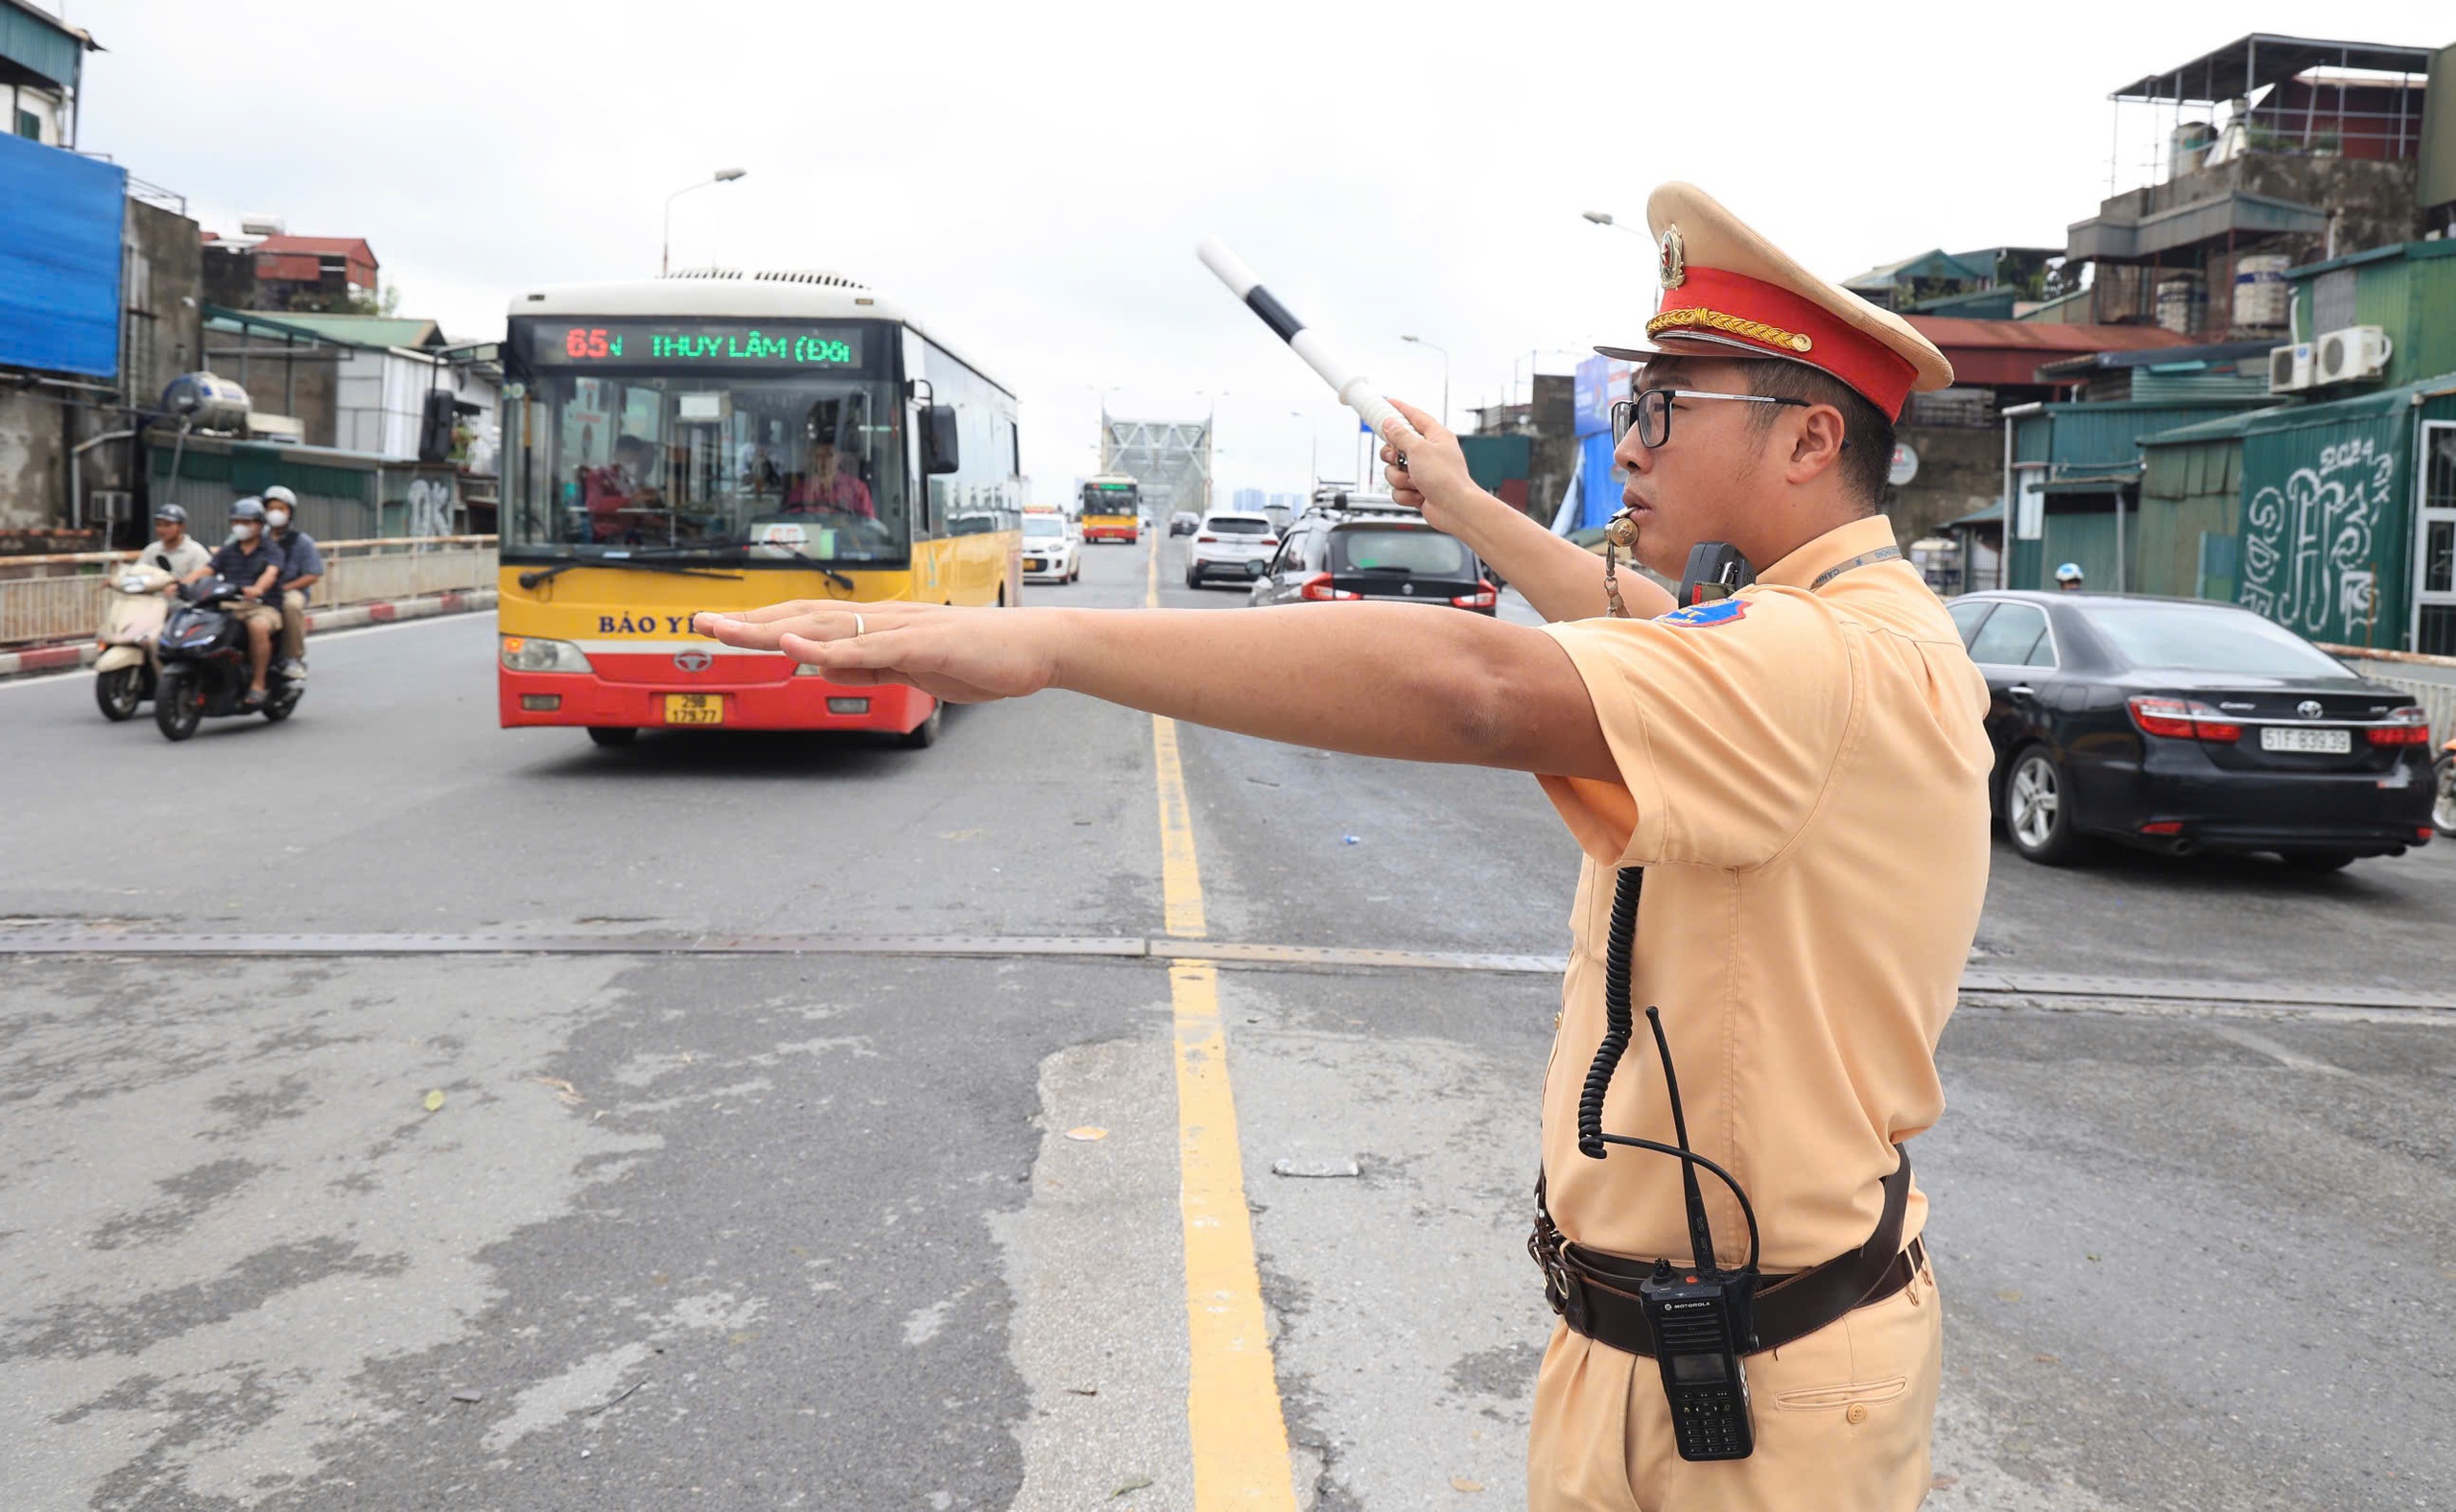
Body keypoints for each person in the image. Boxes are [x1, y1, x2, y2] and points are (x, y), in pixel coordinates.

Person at [694, 183, 1991, 1510]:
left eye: (1662, 407)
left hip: (1755, 1392)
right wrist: (1469, 507)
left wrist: (1050, 645)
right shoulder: (1840, 630)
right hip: (1674, 1345)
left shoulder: (1818, 662)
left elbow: (1475, 684)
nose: (1631, 440)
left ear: (1809, 436)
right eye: (1626, 408)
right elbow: (1659, 624)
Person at [183, 496, 287, 707]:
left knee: (257, 627)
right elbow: (208, 569)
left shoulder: (271, 549)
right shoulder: (229, 550)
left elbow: (271, 572)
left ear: (259, 525)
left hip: (262, 606)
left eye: (247, 522)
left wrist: (258, 588)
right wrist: (184, 583)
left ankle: (258, 683)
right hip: (230, 605)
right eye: (237, 522)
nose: (242, 527)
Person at [263, 485, 322, 679]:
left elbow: (313, 574)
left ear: (290, 512)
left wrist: (285, 587)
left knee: (290, 606)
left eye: (281, 509)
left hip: (290, 589)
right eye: (271, 508)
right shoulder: (257, 540)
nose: (275, 513)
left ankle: (294, 658)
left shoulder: (301, 541)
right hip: (258, 589)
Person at [784, 405, 875, 517]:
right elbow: (792, 523)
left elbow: (867, 527)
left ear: (839, 457)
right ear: (814, 458)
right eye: (819, 455)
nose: (824, 460)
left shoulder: (858, 490)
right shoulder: (801, 490)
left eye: (829, 455)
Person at [135, 504, 212, 585]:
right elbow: (138, 574)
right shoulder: (151, 550)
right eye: (158, 525)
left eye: (167, 525)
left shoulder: (197, 552)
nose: (161, 529)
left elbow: (203, 583)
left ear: (181, 527)